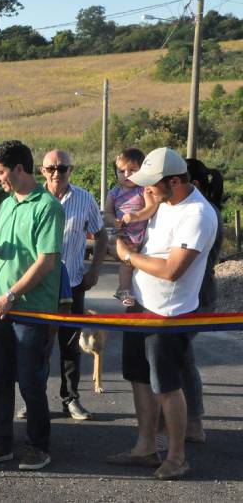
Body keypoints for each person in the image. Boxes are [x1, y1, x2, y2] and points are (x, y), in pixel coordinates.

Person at [107, 147, 217, 481]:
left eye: (150, 185)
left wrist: (127, 256)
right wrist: (133, 225)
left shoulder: (197, 214)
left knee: (167, 386)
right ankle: (145, 447)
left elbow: (172, 270)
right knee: (139, 377)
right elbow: (147, 219)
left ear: (173, 181)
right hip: (141, 306)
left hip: (168, 315)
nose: (144, 190)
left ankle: (177, 456)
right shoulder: (165, 201)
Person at [0, 140, 64, 471]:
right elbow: (8, 254)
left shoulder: (48, 207)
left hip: (28, 312)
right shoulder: (7, 204)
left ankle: (39, 446)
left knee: (30, 381)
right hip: (0, 309)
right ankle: (2, 443)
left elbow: (46, 262)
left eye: (0, 173)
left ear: (20, 170)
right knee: (0, 380)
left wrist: (9, 296)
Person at [155, 158, 225, 453]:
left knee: (178, 361)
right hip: (199, 293)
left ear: (189, 184)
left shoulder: (201, 215)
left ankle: (189, 425)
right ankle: (192, 423)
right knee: (183, 359)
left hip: (197, 295)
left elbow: (178, 266)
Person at [39, 150, 107, 421]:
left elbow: (101, 235)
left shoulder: (84, 198)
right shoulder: (34, 199)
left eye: (63, 168)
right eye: (51, 168)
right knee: (38, 345)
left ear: (71, 170)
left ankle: (71, 400)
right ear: (42, 170)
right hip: (39, 285)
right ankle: (36, 400)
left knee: (70, 346)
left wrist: (95, 270)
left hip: (74, 283)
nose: (57, 173)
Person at [103, 149, 158, 307]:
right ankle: (124, 290)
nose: (126, 174)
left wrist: (136, 216)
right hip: (124, 233)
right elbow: (107, 213)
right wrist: (114, 221)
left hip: (140, 234)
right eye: (121, 171)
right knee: (128, 262)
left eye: (133, 170)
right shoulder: (114, 193)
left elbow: (151, 207)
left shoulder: (143, 189)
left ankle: (125, 288)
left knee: (136, 264)